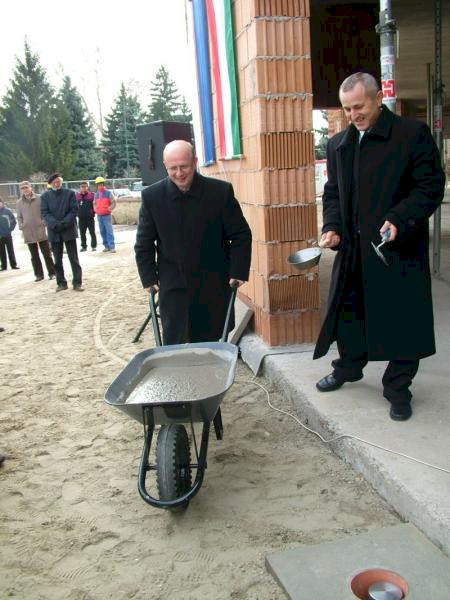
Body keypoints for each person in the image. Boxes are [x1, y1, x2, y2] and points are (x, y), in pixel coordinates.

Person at [314, 72, 445, 422]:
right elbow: (333, 192)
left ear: (377, 99)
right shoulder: (339, 143)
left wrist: (400, 218)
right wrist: (332, 227)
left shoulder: (411, 134)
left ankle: (398, 388)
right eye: (346, 109)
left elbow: (431, 185)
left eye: (359, 106)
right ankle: (348, 367)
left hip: (398, 248)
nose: (353, 115)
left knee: (403, 321)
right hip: (354, 249)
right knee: (349, 313)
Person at [135, 139, 252, 345]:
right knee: (175, 341)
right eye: (173, 168)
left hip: (213, 282)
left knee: (209, 342)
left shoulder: (220, 192)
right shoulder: (152, 197)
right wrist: (148, 277)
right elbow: (144, 244)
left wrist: (238, 271)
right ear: (165, 166)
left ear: (195, 162)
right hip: (173, 284)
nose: (179, 173)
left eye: (184, 166)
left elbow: (241, 234)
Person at [41, 173, 84, 292]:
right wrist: (55, 224)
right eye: (54, 182)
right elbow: (45, 212)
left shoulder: (70, 193)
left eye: (58, 182)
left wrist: (64, 223)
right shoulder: (45, 196)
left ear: (61, 182)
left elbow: (74, 210)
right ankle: (61, 283)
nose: (56, 184)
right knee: (57, 259)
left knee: (73, 258)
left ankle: (77, 283)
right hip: (54, 231)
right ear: (50, 184)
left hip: (68, 229)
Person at [16, 181, 56, 282]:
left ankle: (52, 273)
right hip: (28, 232)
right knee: (34, 255)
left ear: (31, 187)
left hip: (40, 229)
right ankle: (39, 275)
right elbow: (19, 216)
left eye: (26, 187)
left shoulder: (40, 198)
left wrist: (44, 222)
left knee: (47, 253)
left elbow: (45, 211)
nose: (25, 190)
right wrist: (21, 226)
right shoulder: (19, 202)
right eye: (23, 188)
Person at [94, 177, 116, 253]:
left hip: (107, 215)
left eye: (101, 184)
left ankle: (112, 247)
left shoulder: (108, 193)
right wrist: (96, 210)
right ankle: (106, 246)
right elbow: (94, 203)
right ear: (97, 185)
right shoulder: (96, 194)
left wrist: (109, 209)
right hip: (99, 216)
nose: (100, 186)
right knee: (102, 231)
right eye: (98, 185)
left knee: (109, 231)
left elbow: (113, 202)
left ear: (103, 184)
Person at [76, 181, 97, 252]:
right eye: (82, 187)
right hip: (81, 218)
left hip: (90, 218)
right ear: (80, 188)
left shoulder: (92, 195)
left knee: (92, 232)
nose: (84, 188)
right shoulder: (77, 196)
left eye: (85, 187)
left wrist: (93, 212)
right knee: (82, 233)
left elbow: (95, 204)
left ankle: (93, 246)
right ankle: (84, 247)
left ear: (87, 187)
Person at [0, 197, 19, 271]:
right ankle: (3, 266)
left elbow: (13, 221)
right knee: (1, 251)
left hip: (8, 235)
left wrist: (10, 229)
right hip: (0, 236)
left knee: (10, 250)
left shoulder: (7, 211)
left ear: (2, 203)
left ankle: (13, 265)